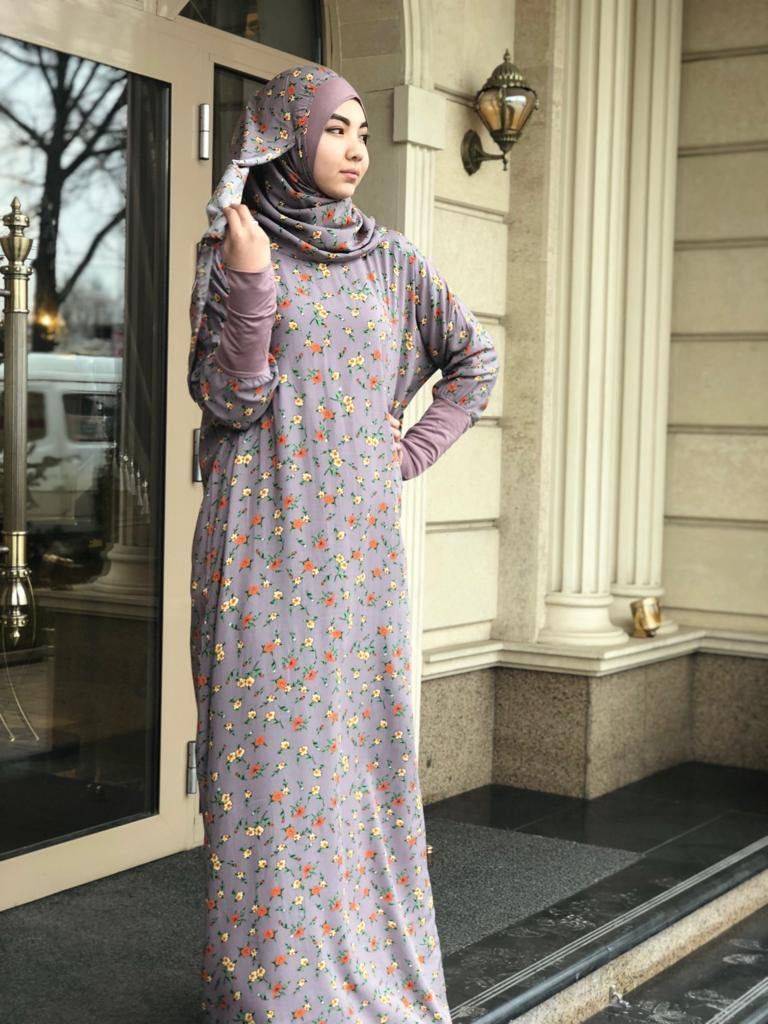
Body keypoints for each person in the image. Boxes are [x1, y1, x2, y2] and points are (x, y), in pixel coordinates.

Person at [188, 62, 499, 1024]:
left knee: (358, 772)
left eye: (362, 129)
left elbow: (473, 361)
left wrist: (407, 453)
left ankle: (364, 976)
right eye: (334, 129)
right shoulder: (234, 247)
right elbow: (231, 400)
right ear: (286, 137)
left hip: (356, 561)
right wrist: (250, 281)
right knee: (265, 783)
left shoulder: (392, 261)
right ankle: (275, 995)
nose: (356, 148)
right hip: (257, 547)